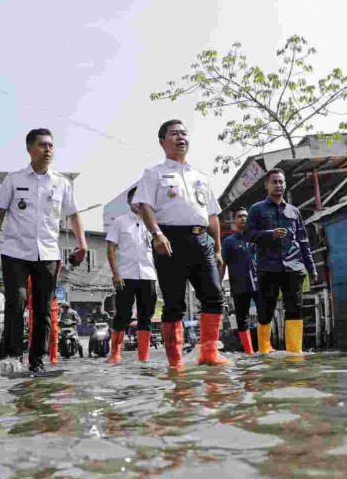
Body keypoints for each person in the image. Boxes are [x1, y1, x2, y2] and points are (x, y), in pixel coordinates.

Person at [0, 128, 87, 373]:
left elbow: (74, 214)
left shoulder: (61, 183)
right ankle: (12, 356)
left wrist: (82, 244)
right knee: (16, 301)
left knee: (43, 308)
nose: (48, 149)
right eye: (42, 145)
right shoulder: (14, 180)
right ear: (30, 149)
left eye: (51, 145)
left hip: (48, 254)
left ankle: (37, 361)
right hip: (15, 251)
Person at [133, 119, 231, 368]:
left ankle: (210, 353)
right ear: (162, 142)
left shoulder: (200, 177)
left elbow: (212, 216)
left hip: (202, 240)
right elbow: (146, 207)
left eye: (184, 133)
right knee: (174, 302)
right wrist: (157, 234)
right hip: (169, 240)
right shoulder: (153, 174)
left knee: (214, 296)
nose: (181, 138)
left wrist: (218, 248)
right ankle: (175, 362)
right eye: (174, 134)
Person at [245, 169, 317, 354]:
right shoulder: (257, 209)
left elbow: (303, 241)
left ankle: (295, 353)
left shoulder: (294, 211)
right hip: (268, 268)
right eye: (274, 182)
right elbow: (248, 235)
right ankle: (264, 352)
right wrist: (270, 234)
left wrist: (311, 267)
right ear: (267, 185)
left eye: (281, 182)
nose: (278, 185)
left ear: (285, 185)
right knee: (265, 311)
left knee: (294, 309)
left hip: (294, 267)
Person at [106, 186, 158, 363]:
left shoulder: (153, 223)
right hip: (126, 275)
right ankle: (115, 354)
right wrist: (115, 274)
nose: (139, 203)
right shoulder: (119, 222)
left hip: (148, 275)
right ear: (129, 202)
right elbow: (111, 248)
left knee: (146, 315)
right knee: (122, 314)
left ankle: (144, 356)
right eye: (135, 199)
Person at [220, 208, 258, 354]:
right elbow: (222, 264)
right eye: (240, 216)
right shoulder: (229, 242)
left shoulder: (256, 238)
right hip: (239, 286)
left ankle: (265, 348)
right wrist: (219, 284)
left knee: (265, 316)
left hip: (259, 283)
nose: (243, 219)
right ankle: (249, 351)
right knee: (242, 319)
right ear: (234, 220)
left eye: (246, 216)